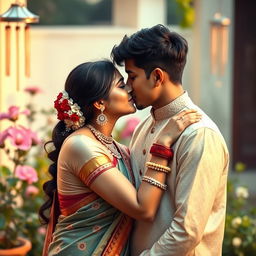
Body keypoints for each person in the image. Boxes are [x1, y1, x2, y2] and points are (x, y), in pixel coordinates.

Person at [39, 60, 201, 256]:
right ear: (99, 103)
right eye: (121, 85)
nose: (131, 89)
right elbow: (143, 209)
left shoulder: (117, 149)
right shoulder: (80, 146)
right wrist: (163, 143)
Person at [111, 24, 229, 256]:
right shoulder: (145, 127)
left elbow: (188, 230)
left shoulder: (198, 135)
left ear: (157, 77)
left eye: (132, 76)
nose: (128, 87)